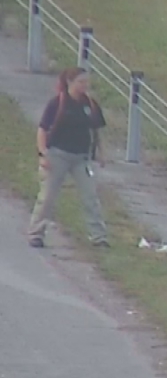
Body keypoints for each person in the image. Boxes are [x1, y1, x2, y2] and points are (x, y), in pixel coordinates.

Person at [28, 68, 109, 249]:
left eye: (86, 82)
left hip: (82, 157)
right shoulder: (58, 103)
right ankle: (36, 233)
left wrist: (101, 153)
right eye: (81, 82)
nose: (85, 86)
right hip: (58, 155)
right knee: (47, 196)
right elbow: (42, 130)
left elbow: (97, 130)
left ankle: (99, 237)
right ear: (70, 82)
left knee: (90, 196)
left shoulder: (91, 105)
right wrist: (43, 154)